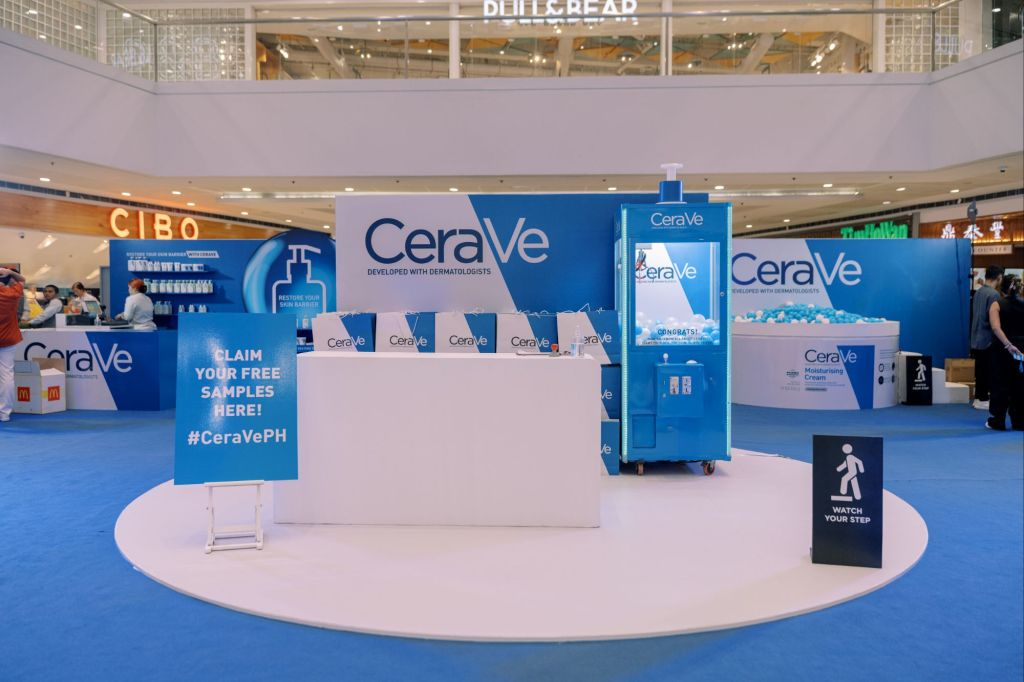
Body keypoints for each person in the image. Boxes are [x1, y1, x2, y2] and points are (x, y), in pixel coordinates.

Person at [986, 275, 1024, 431]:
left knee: (1000, 383)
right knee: (1020, 384)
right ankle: (1019, 421)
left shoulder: (996, 304)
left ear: (1002, 288)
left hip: (1003, 349)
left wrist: (1008, 345)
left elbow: (996, 328)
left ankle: (998, 420)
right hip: (1021, 349)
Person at [970, 266, 1003, 410]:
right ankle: (983, 398)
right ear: (999, 277)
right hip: (988, 338)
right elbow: (993, 319)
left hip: (976, 337)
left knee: (980, 369)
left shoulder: (978, 292)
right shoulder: (994, 295)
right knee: (988, 370)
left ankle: (978, 397)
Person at [0, 267, 27, 423]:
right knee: (7, 376)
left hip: (7, 339)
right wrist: (9, 272)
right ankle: (4, 413)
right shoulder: (13, 294)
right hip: (8, 339)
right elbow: (22, 279)